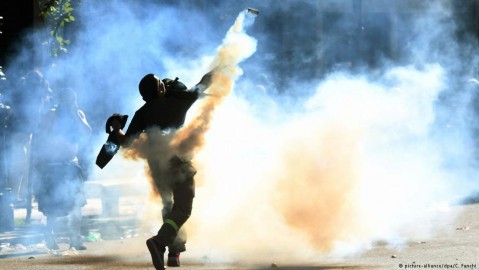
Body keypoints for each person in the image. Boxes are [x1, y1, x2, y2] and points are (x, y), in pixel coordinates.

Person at [108, 71, 212, 269]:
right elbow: (203, 83)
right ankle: (159, 242)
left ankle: (174, 253)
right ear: (160, 89)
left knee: (168, 205)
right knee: (182, 209)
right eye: (161, 84)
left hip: (157, 165)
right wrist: (221, 65)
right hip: (178, 162)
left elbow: (126, 143)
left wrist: (116, 128)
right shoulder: (178, 102)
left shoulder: (142, 113)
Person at [32, 87, 92, 250]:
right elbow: (40, 138)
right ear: (60, 100)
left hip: (71, 164)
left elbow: (87, 133)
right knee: (53, 207)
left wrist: (74, 114)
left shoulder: (78, 114)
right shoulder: (51, 114)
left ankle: (75, 239)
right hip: (53, 166)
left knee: (77, 204)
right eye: (66, 99)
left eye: (72, 99)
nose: (69, 102)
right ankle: (49, 236)